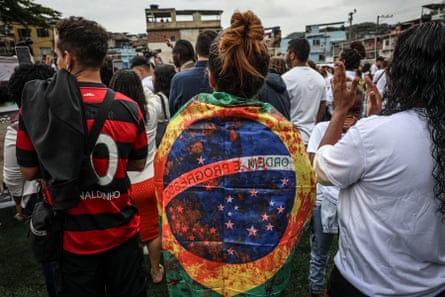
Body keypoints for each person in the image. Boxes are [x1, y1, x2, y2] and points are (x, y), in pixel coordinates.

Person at [155, 10, 314, 297]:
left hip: (198, 280)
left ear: (211, 77)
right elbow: (302, 199)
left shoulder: (180, 126)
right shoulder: (286, 135)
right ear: (261, 78)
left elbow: (162, 190)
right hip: (258, 277)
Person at [16, 16, 148, 297]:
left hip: (72, 239)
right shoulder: (130, 108)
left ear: (67, 58)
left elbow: (27, 171)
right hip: (121, 232)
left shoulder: (40, 107)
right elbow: (136, 163)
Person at [314, 22, 445, 296]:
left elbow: (322, 169)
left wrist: (340, 112)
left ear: (404, 71)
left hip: (364, 283)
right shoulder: (378, 132)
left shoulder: (375, 134)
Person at [5, 63, 62, 297]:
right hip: (70, 196)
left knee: (51, 259)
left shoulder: (18, 126)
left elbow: (14, 173)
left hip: (39, 202)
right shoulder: (68, 114)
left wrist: (18, 202)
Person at [109, 69, 164, 284]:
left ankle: (131, 272)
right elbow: (152, 95)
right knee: (152, 229)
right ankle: (156, 270)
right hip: (149, 180)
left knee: (124, 231)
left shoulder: (114, 113)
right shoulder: (150, 108)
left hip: (123, 182)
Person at [307, 88, 363, 297]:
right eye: (348, 110)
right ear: (336, 108)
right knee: (320, 251)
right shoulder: (322, 129)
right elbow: (314, 163)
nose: (352, 116)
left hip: (352, 203)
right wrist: (337, 131)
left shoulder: (363, 133)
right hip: (325, 201)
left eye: (357, 111)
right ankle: (315, 289)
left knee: (351, 250)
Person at [282, 38, 326, 146]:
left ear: (292, 55)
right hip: (313, 139)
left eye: (287, 51)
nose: (286, 55)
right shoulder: (319, 78)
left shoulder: (286, 79)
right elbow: (322, 106)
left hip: (292, 138)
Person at [169, 30, 217, 115]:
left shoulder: (179, 79)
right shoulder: (226, 76)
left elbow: (173, 113)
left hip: (185, 127)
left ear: (196, 51)